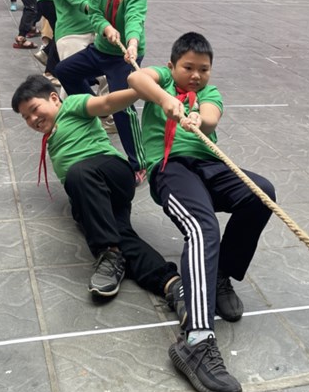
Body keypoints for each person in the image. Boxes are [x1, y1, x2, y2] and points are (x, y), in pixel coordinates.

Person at [127, 32, 275, 392]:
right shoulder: (162, 79)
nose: (196, 75)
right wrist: (166, 101)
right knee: (202, 227)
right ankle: (196, 339)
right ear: (173, 65)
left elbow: (210, 118)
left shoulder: (210, 92)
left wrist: (196, 118)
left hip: (210, 165)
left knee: (261, 194)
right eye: (188, 67)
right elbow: (135, 78)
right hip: (171, 168)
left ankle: (220, 275)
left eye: (203, 69)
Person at [11, 74, 184, 314]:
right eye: (25, 117)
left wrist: (144, 91)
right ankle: (172, 285)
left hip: (112, 172)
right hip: (92, 193)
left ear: (54, 98)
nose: (32, 119)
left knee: (78, 174)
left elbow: (106, 103)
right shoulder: (51, 133)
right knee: (119, 235)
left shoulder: (71, 105)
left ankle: (108, 253)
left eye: (34, 109)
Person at [55, 0, 147, 183]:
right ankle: (95, 106)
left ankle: (139, 163)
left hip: (123, 56)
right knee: (64, 71)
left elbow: (135, 18)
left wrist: (132, 43)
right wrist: (105, 27)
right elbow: (94, 12)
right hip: (101, 49)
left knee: (123, 107)